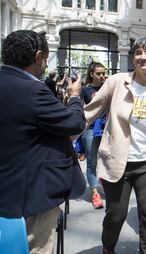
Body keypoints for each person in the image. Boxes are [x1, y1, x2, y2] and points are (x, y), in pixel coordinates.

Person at [82, 37, 146, 254]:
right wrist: (64, 134)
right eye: (138, 53)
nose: (143, 57)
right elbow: (90, 112)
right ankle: (108, 248)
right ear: (133, 58)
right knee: (116, 214)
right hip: (118, 160)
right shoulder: (116, 81)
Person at [0, 30, 86, 254]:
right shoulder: (33, 90)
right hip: (29, 199)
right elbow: (75, 123)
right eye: (46, 59)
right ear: (38, 56)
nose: (46, 65)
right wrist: (75, 97)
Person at [80, 61, 106, 209]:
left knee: (107, 160)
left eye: (103, 73)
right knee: (92, 163)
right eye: (99, 73)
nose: (102, 76)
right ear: (91, 74)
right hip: (90, 129)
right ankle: (95, 193)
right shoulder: (85, 90)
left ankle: (108, 187)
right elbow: (78, 108)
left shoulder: (108, 87)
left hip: (106, 128)